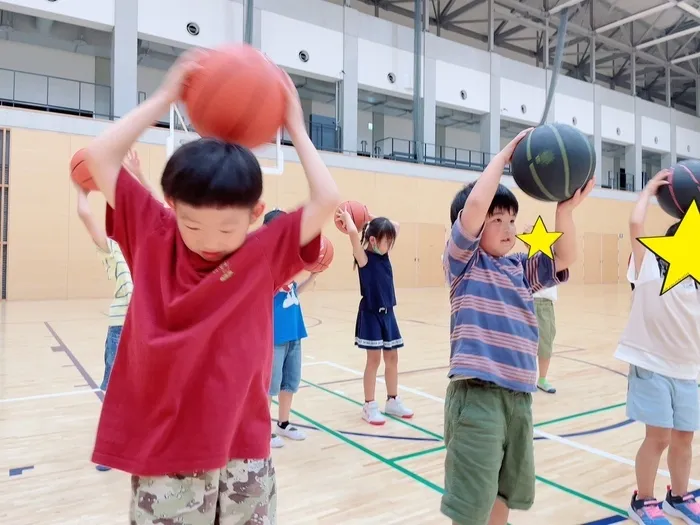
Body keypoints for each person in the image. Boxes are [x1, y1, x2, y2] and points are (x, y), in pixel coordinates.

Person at [82, 49, 340, 524]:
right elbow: (99, 156)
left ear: (255, 215)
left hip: (245, 450)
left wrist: (296, 127)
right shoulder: (153, 232)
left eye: (226, 230)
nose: (208, 242)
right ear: (171, 205)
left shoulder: (263, 253)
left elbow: (327, 198)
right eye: (192, 225)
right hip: (166, 455)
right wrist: (166, 95)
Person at [441, 128, 594, 525]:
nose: (509, 228)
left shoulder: (521, 268)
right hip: (477, 398)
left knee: (504, 493)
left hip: (519, 398)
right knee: (473, 501)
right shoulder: (463, 263)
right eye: (498, 219)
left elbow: (566, 257)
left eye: (512, 219)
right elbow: (475, 205)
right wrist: (505, 155)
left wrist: (565, 213)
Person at [615, 169, 700, 525]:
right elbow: (636, 224)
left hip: (687, 370)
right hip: (651, 366)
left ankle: (677, 497)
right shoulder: (648, 267)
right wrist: (648, 190)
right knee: (659, 438)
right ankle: (643, 500)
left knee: (684, 438)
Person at [335, 209, 413, 425]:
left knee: (393, 358)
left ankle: (392, 400)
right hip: (370, 314)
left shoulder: (384, 254)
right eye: (386, 241)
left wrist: (369, 215)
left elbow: (395, 224)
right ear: (372, 240)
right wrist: (351, 218)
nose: (390, 244)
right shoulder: (363, 257)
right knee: (374, 360)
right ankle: (369, 406)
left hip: (388, 313)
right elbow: (352, 233)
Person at [263, 209, 318, 449]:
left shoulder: (289, 260)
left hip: (295, 330)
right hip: (275, 335)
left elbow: (292, 292)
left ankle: (283, 424)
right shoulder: (265, 262)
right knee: (270, 386)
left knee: (290, 382)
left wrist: (310, 278)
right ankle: (263, 430)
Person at [533, 285, 558, 394]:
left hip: (546, 303)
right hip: (526, 300)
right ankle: (523, 380)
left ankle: (542, 379)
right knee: (524, 345)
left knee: (546, 343)